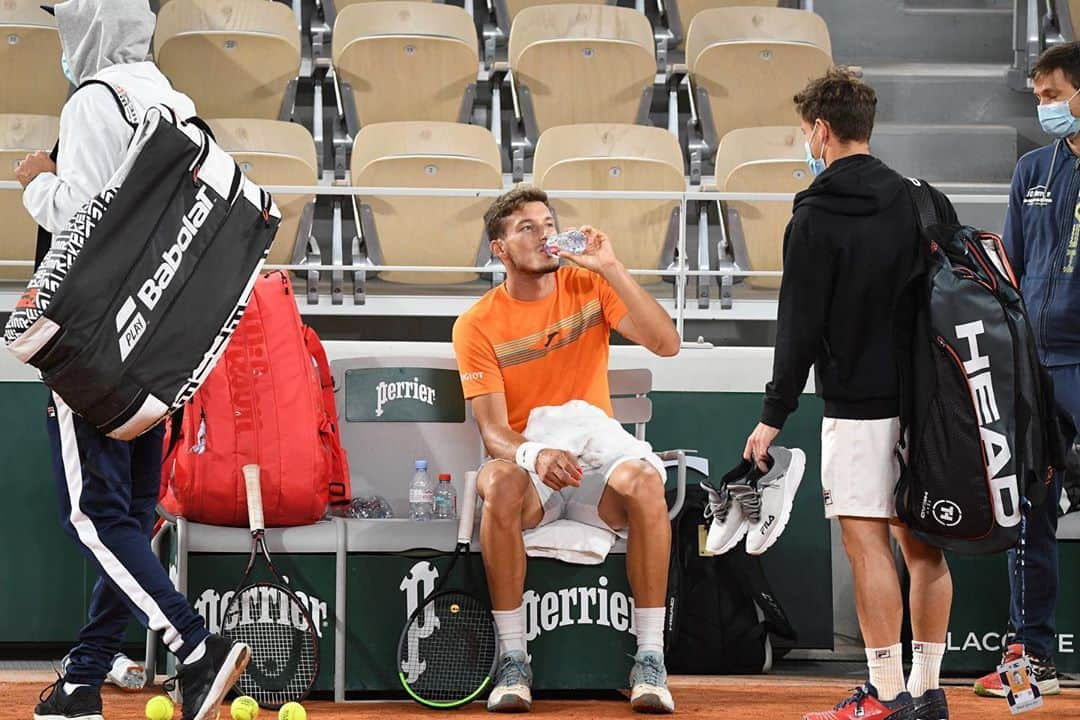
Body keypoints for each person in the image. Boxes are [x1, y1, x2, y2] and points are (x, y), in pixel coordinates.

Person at [16, 3, 249, 719]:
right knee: (131, 516)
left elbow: (85, 219)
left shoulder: (96, 99)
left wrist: (34, 179)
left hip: (98, 340)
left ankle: (196, 649)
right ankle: (82, 682)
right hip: (162, 343)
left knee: (93, 516)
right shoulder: (175, 102)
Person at [741, 68, 957, 720]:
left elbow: (799, 327)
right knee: (923, 549)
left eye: (807, 131)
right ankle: (927, 693)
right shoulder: (924, 200)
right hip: (930, 404)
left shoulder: (813, 216)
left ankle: (886, 694)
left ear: (823, 130)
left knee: (868, 547)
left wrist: (772, 415)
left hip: (860, 408)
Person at [452, 186, 681, 713]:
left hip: (595, 468)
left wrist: (612, 266)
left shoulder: (589, 285)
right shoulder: (476, 324)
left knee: (646, 481)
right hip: (532, 472)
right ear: (499, 249)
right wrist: (535, 455)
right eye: (525, 228)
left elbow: (666, 344)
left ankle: (650, 658)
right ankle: (514, 661)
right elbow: (492, 433)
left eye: (548, 223)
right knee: (498, 481)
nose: (543, 234)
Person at [971, 42, 1080, 699]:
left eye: (1052, 96)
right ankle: (1032, 657)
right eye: (1036, 97)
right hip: (1037, 368)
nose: (1043, 108)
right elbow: (1009, 268)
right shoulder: (1032, 171)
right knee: (1030, 513)